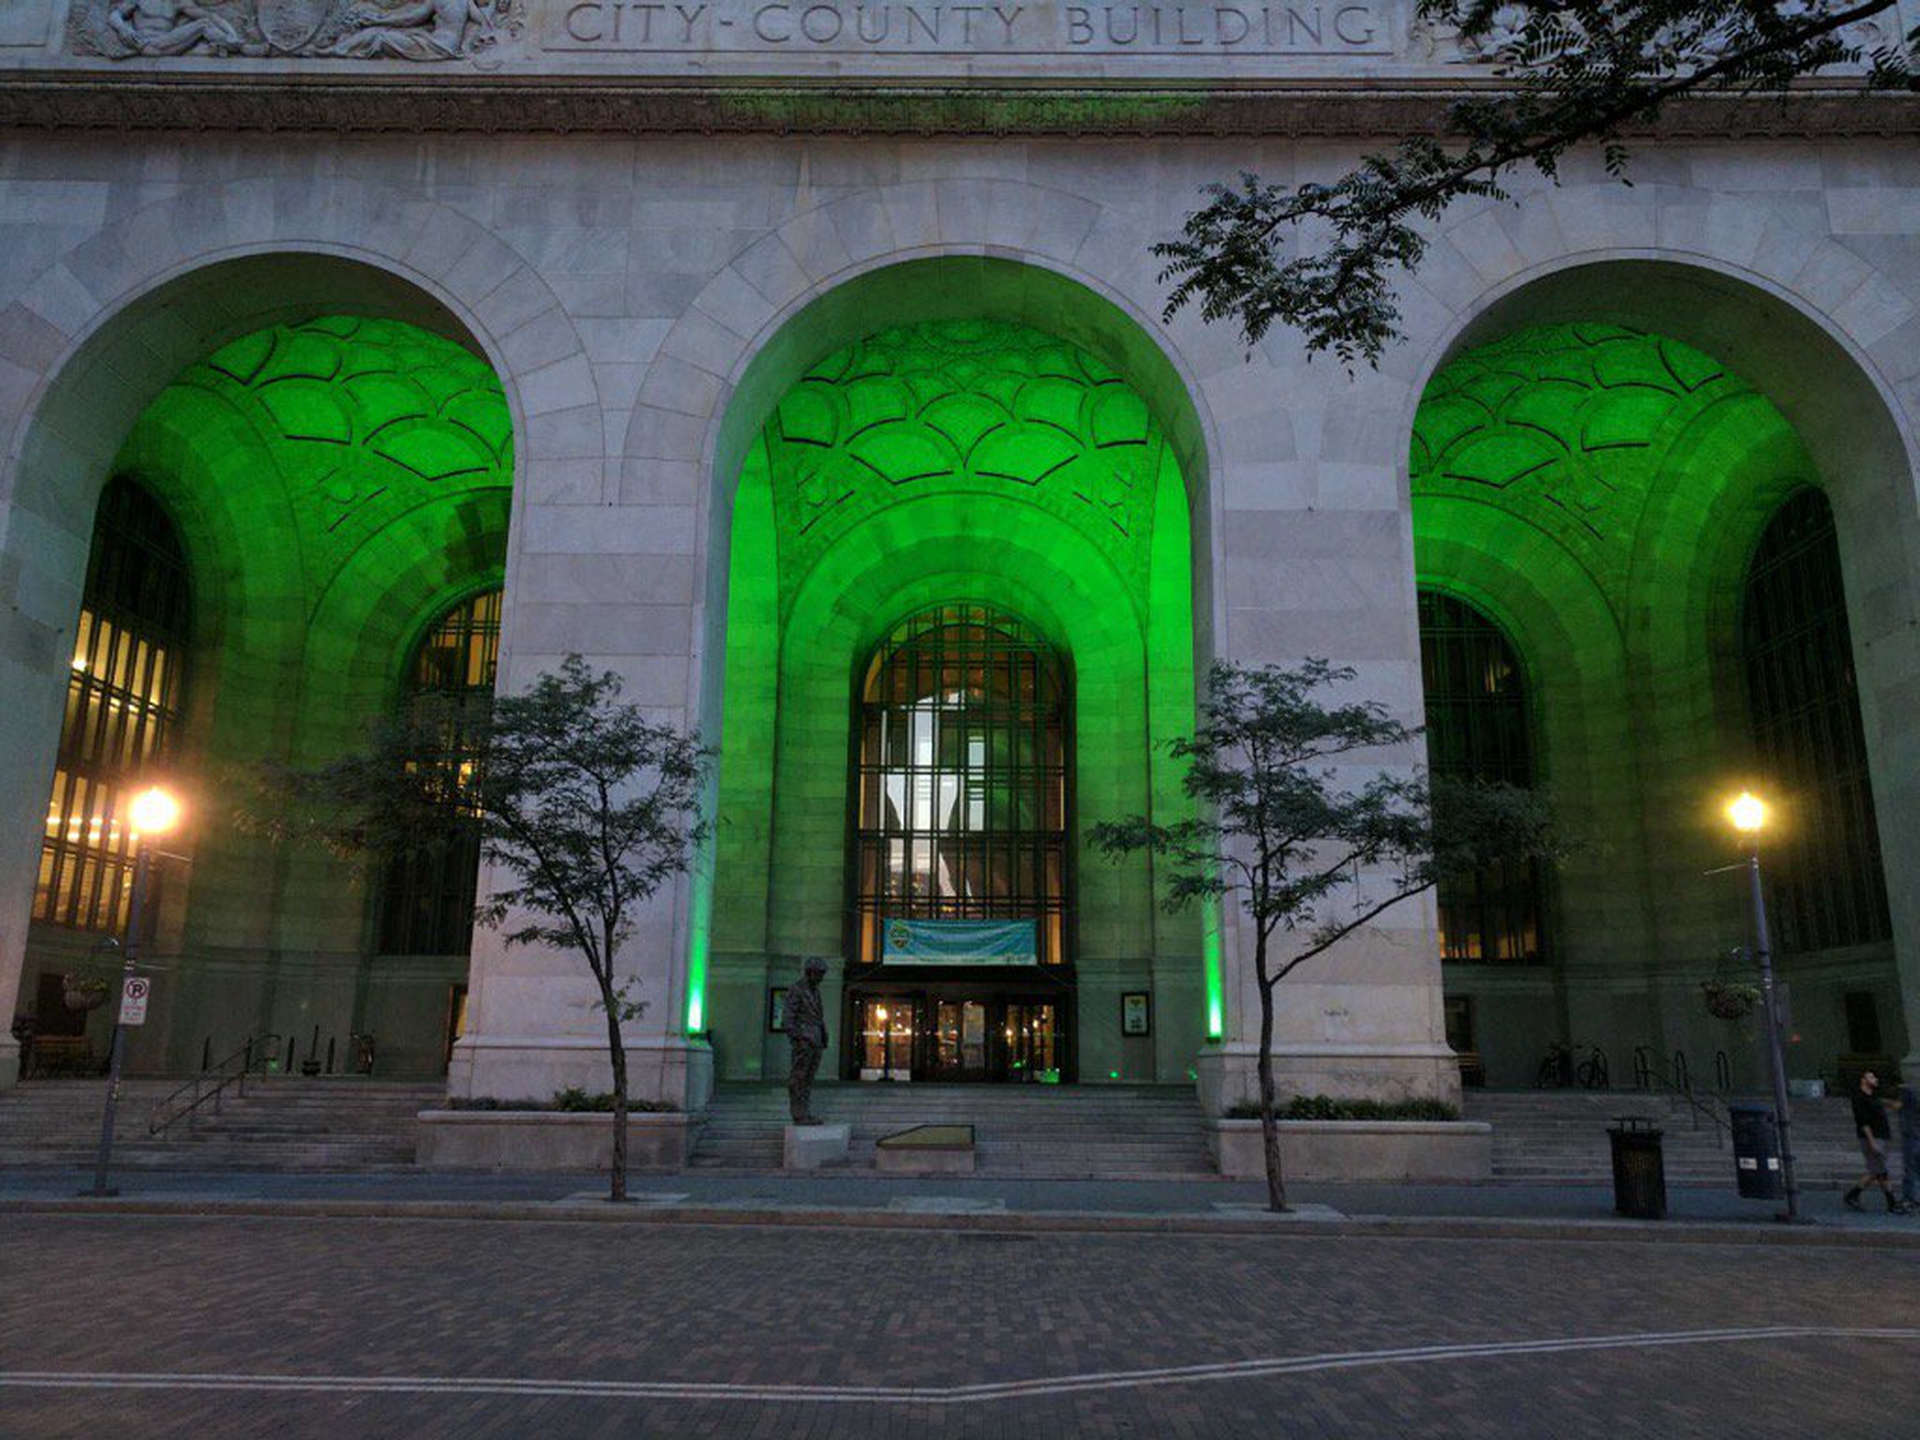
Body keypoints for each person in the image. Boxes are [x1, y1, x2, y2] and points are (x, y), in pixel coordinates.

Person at [1843, 1070, 1910, 1214]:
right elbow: (1863, 1123)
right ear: (1863, 1080)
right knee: (1881, 1171)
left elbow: (1890, 1105)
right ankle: (1891, 1204)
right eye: (1871, 1077)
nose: (1875, 1079)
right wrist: (1872, 1142)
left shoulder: (1873, 1096)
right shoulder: (1859, 1098)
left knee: (1876, 1171)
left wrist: (1901, 1098)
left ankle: (1852, 1195)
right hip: (1872, 1138)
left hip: (1882, 1136)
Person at [782, 956, 829, 1126]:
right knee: (798, 1078)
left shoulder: (815, 991)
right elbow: (788, 1018)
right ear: (810, 973)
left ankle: (805, 1113)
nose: (822, 978)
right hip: (804, 1041)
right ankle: (799, 1114)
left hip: (816, 1041)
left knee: (808, 1079)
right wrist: (798, 1038)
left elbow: (818, 1017)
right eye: (819, 974)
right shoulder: (797, 990)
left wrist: (822, 1035)